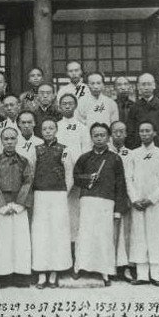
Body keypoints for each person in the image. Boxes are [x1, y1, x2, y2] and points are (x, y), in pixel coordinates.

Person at [73, 123, 129, 286]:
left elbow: (120, 185)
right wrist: (88, 177)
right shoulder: (84, 158)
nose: (99, 138)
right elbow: (76, 178)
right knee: (85, 234)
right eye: (96, 135)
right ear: (91, 137)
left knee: (104, 236)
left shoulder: (115, 159)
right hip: (88, 200)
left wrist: (118, 209)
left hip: (106, 201)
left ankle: (105, 270)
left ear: (108, 137)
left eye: (102, 135)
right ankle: (79, 267)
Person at [126, 121, 159, 286]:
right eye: (141, 131)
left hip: (154, 203)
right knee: (139, 237)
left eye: (147, 131)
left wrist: (151, 199)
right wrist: (135, 199)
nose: (144, 134)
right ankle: (142, 275)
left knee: (155, 236)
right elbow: (128, 179)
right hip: (137, 203)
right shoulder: (133, 154)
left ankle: (156, 275)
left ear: (154, 133)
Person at [31, 119, 74, 288]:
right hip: (40, 195)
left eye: (51, 128)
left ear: (56, 130)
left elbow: (69, 175)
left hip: (59, 196)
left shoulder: (64, 149)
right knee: (41, 233)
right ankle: (42, 273)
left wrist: (64, 194)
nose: (48, 131)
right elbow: (32, 173)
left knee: (57, 233)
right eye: (44, 128)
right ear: (41, 131)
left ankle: (55, 273)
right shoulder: (36, 150)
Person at [0, 128, 33, 287]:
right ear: (1, 141)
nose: (9, 142)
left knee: (20, 241)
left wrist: (19, 204)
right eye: (6, 139)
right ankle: (2, 276)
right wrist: (2, 205)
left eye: (12, 139)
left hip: (19, 205)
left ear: (17, 140)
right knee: (3, 241)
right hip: (2, 206)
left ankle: (21, 275)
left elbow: (28, 182)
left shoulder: (24, 161)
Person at [56, 93, 91, 246]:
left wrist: (79, 174)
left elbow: (86, 153)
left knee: (76, 213)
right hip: (58, 176)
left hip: (77, 176)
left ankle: (75, 247)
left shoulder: (82, 128)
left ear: (75, 106)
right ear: (59, 106)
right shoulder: (55, 126)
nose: (68, 106)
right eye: (64, 103)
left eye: (70, 103)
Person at [109, 121, 134, 281]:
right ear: (110, 134)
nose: (118, 134)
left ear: (126, 134)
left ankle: (125, 268)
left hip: (125, 197)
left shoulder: (131, 154)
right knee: (110, 233)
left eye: (122, 131)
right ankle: (110, 267)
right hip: (109, 197)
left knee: (125, 233)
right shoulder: (106, 152)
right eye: (115, 132)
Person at [126, 73, 159, 150]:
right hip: (139, 146)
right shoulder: (134, 107)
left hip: (158, 145)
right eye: (143, 84)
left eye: (149, 84)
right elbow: (130, 131)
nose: (146, 87)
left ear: (154, 86)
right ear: (138, 87)